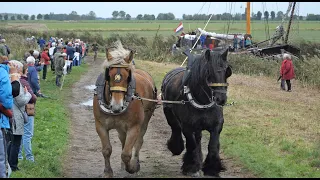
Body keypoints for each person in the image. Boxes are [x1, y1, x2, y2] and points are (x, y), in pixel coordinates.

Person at [6, 60, 31, 172]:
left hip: (13, 115)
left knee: (12, 141)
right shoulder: (16, 83)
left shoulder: (9, 80)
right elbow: (20, 100)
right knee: (16, 142)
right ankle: (13, 166)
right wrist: (28, 95)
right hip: (17, 116)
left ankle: (9, 164)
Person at [18, 63, 37, 162]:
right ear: (24, 71)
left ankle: (19, 156)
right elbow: (32, 97)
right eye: (27, 71)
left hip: (19, 110)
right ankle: (29, 157)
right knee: (27, 134)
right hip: (28, 109)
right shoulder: (24, 82)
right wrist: (34, 96)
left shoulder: (16, 80)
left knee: (20, 133)